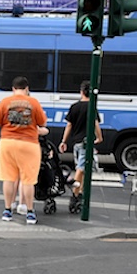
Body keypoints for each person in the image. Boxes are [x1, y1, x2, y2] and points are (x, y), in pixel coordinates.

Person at [0, 76, 48, 225]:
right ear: (27, 89)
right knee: (28, 180)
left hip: (7, 142)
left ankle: (7, 210)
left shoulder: (5, 102)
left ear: (13, 89)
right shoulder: (34, 102)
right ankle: (30, 212)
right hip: (29, 144)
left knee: (9, 178)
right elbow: (42, 122)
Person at [59, 80, 102, 213]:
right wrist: (99, 137)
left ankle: (79, 192)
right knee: (81, 169)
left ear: (81, 92)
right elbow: (95, 124)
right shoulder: (92, 107)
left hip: (76, 142)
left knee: (82, 169)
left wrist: (63, 141)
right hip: (86, 142)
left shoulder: (74, 107)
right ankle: (75, 194)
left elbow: (69, 125)